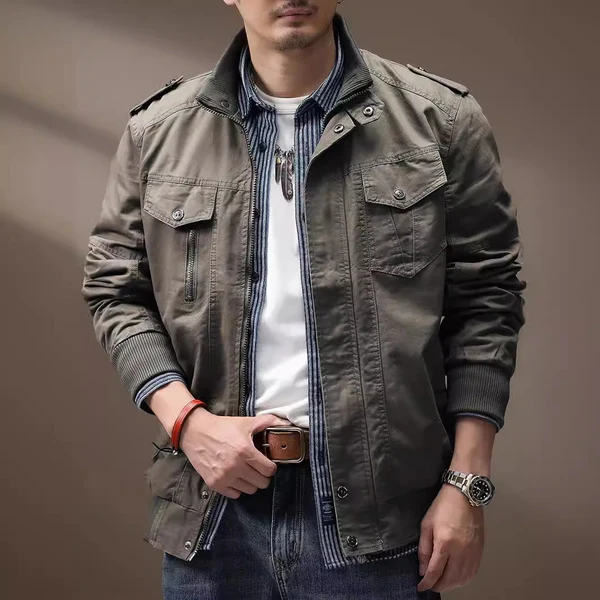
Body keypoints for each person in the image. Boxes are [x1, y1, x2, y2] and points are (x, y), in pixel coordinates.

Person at [81, 1, 526, 598]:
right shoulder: (158, 132)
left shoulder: (440, 120)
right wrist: (186, 422)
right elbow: (116, 290)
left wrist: (467, 483)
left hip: (380, 517)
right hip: (214, 512)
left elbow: (487, 300)